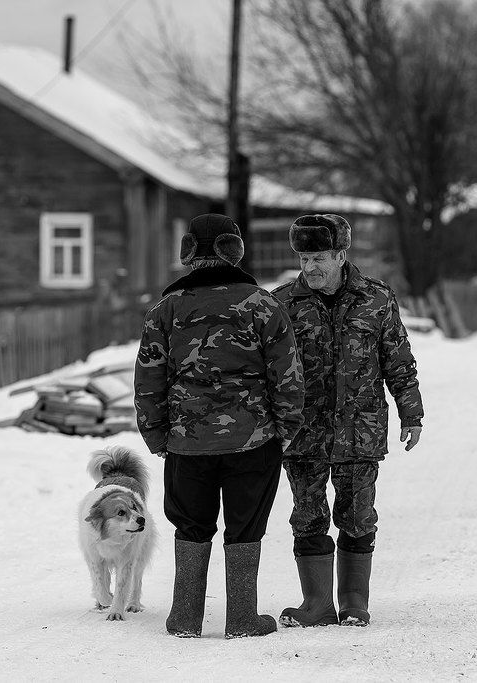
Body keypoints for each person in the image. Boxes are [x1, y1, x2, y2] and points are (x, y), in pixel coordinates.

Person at [134, 213, 304, 639]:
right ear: (235, 249)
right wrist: (286, 428)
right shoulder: (263, 305)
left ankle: (185, 618)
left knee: (191, 525)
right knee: (245, 525)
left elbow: (148, 378)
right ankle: (243, 618)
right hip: (254, 441)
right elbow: (287, 374)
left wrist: (156, 434)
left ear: (188, 252)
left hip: (187, 445)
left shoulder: (166, 309)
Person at [271, 213, 423, 627]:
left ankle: (354, 601)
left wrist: (411, 411)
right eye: (303, 258)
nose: (309, 268)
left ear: (341, 255)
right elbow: (266, 373)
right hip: (303, 433)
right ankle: (317, 604)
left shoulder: (376, 298)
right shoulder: (282, 303)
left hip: (360, 429)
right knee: (307, 514)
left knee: (358, 515)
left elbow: (398, 359)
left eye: (319, 257)